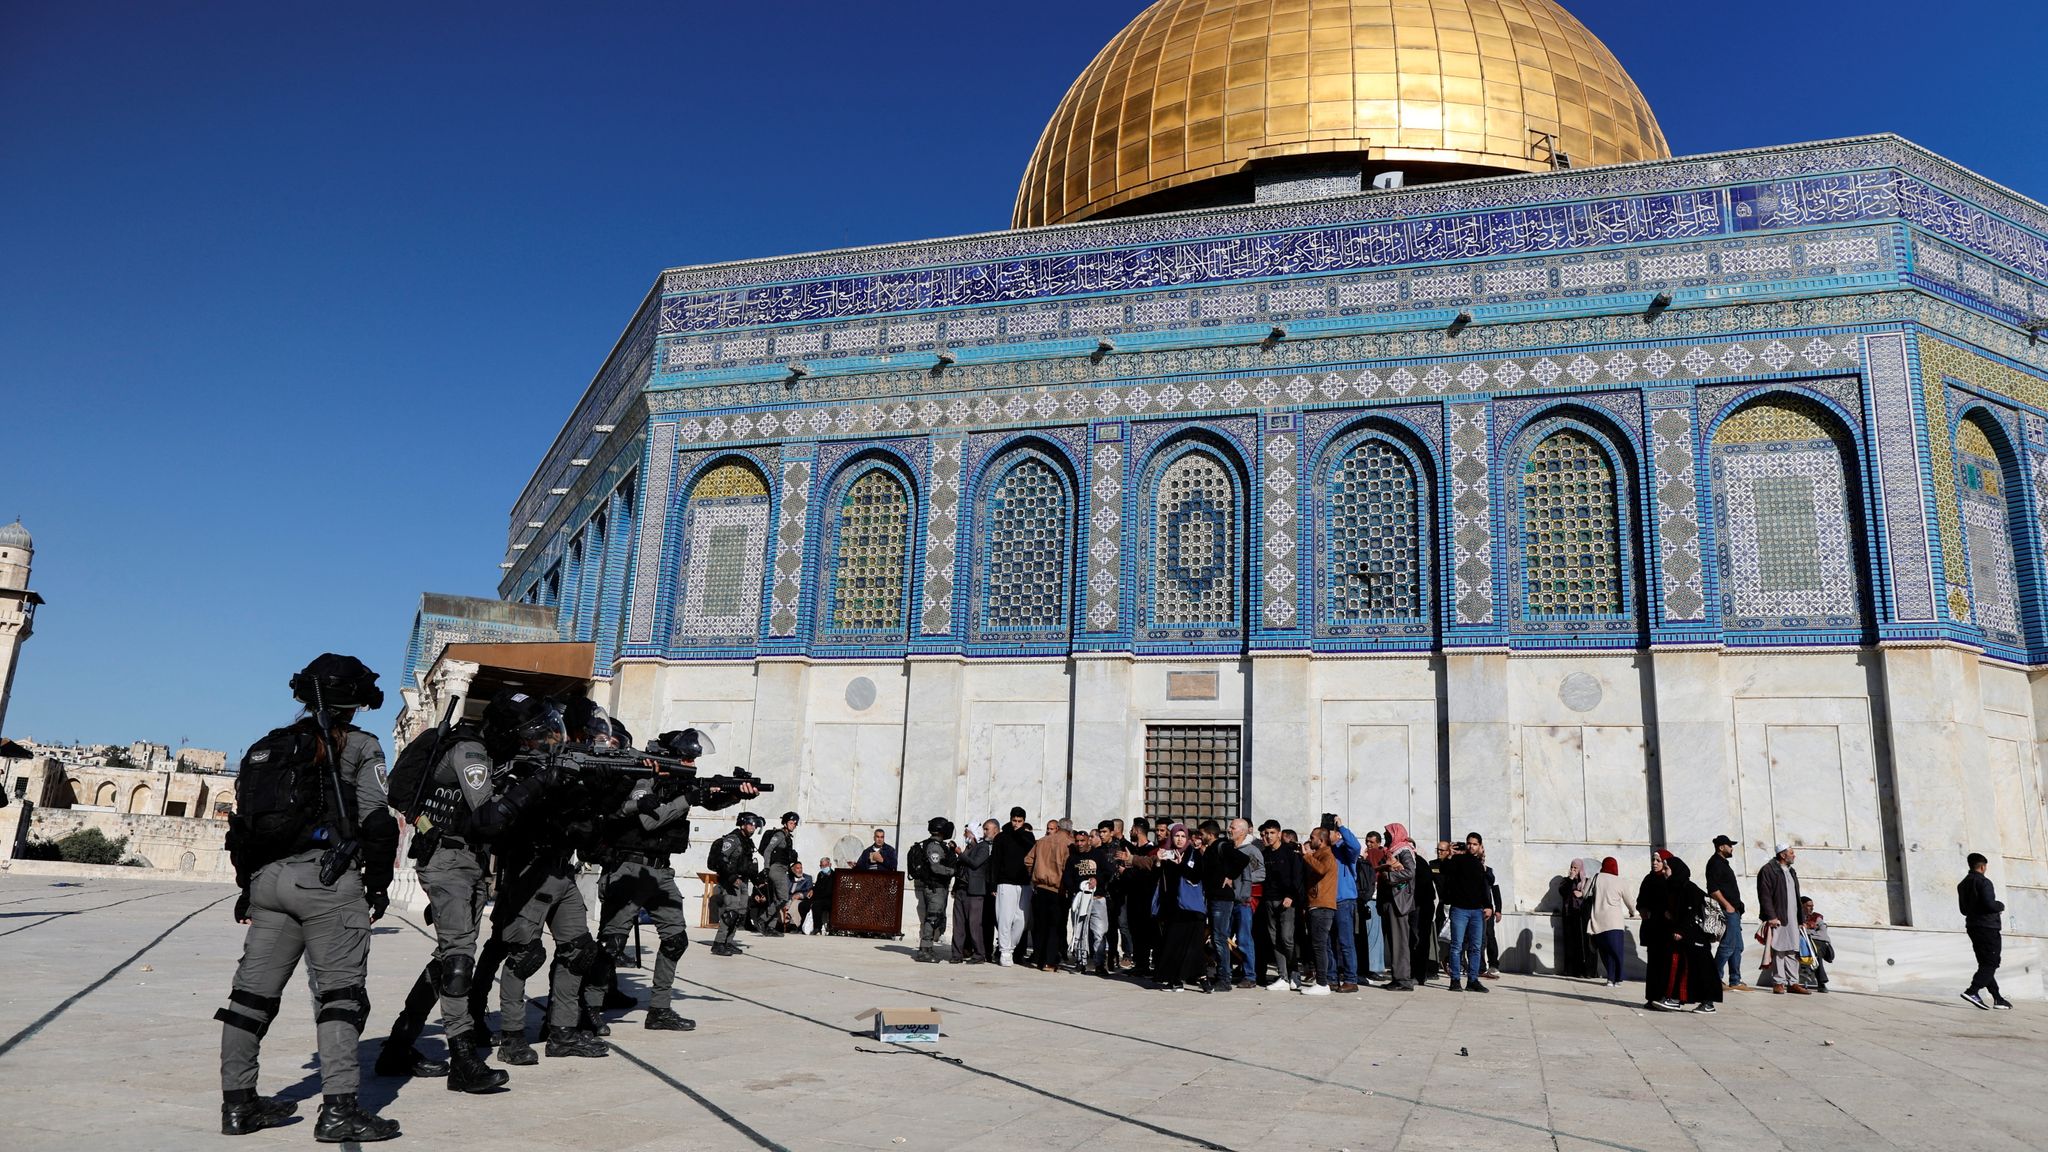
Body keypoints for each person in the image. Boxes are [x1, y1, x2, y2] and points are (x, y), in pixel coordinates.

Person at [216, 654, 402, 1141]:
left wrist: (246, 889)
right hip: (326, 879)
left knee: (250, 998)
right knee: (341, 996)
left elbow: (245, 826)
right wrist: (377, 884)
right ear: (354, 701)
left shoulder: (270, 746)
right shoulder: (361, 746)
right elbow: (377, 820)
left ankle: (238, 1105)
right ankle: (339, 1111)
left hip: (268, 881)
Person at [374, 696, 517, 1091]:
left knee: (447, 956)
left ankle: (399, 1045)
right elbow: (486, 811)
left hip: (466, 862)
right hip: (448, 860)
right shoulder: (471, 750)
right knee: (458, 960)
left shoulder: (489, 756)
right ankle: (464, 1060)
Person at [477, 693, 612, 1064]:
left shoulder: (559, 764)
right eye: (537, 734)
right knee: (524, 955)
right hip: (528, 868)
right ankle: (512, 1036)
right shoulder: (513, 768)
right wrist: (546, 781)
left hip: (560, 868)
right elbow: (505, 816)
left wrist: (594, 786)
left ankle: (562, 1032)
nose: (547, 738)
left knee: (578, 949)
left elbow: (582, 821)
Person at [594, 726, 750, 1032]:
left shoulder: (680, 783)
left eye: (694, 760)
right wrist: (687, 798)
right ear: (670, 757)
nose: (692, 765)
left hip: (661, 872)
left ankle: (659, 1010)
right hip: (630, 867)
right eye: (687, 759)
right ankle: (590, 1007)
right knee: (612, 942)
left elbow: (709, 798)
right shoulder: (644, 776)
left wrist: (735, 792)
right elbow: (649, 821)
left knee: (676, 939)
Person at [1651, 857, 1723, 1012]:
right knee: (1682, 967)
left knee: (1701, 969)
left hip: (1695, 937)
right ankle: (1676, 999)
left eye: (1666, 868)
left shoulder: (1689, 888)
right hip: (1687, 937)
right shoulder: (1674, 886)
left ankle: (1707, 1003)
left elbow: (1691, 911)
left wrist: (1680, 930)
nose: (1663, 871)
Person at [1149, 823, 1208, 990]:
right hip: (1171, 906)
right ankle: (1172, 979)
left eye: (1183, 836)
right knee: (1171, 943)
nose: (1180, 839)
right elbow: (1158, 879)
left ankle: (1198, 977)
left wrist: (1181, 865)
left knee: (1192, 945)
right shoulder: (1166, 853)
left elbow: (1197, 877)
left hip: (1190, 908)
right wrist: (1159, 862)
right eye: (1176, 836)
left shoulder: (1193, 854)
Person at [1191, 820, 1248, 992]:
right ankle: (1221, 974)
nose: (1200, 837)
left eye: (1202, 834)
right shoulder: (1209, 850)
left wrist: (1230, 875)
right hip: (1213, 897)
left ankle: (1225, 978)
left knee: (1219, 938)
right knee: (1216, 938)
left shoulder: (1221, 846)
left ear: (1209, 834)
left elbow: (1243, 859)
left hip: (1222, 899)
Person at [1440, 833, 1494, 993]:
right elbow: (1444, 870)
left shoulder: (1480, 864)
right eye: (1469, 843)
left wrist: (1489, 906)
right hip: (1460, 909)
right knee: (1456, 946)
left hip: (1477, 911)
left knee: (1476, 947)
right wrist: (1449, 855)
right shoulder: (1457, 860)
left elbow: (1487, 885)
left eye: (1475, 844)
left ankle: (1473, 980)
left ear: (1480, 846)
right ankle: (1455, 980)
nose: (1471, 846)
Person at [1959, 852, 2011, 1010]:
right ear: (1982, 866)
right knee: (1991, 963)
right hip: (1988, 927)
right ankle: (1972, 991)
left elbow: (1963, 910)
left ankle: (1997, 998)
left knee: (1985, 964)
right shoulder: (1984, 882)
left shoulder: (1962, 884)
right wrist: (2000, 906)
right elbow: (1990, 905)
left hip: (1973, 926)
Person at [710, 812, 766, 955]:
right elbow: (722, 860)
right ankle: (718, 943)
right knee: (730, 912)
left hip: (743, 881)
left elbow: (747, 865)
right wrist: (731, 877)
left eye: (755, 825)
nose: (753, 828)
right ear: (742, 824)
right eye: (750, 824)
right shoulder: (733, 839)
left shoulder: (747, 841)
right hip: (730, 881)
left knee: (739, 914)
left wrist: (757, 881)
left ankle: (728, 942)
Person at [1023, 817, 1075, 971]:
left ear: (1058, 828)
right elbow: (1069, 868)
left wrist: (1034, 876)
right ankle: (1050, 961)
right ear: (1070, 830)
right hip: (1057, 889)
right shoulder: (1069, 845)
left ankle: (1039, 958)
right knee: (1055, 926)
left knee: (1040, 925)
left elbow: (1028, 860)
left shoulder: (1042, 841)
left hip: (1040, 888)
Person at [1756, 843, 1808, 994]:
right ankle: (1779, 982)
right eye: (1791, 853)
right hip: (1778, 917)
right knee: (1779, 949)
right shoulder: (1768, 870)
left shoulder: (1792, 871)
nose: (1794, 855)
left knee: (1792, 949)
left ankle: (1793, 982)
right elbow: (1764, 895)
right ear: (1783, 855)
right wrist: (1771, 916)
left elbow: (1797, 898)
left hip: (1792, 917)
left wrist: (1801, 919)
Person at [1258, 820, 1303, 992]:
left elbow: (1297, 877)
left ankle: (1294, 973)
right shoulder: (1265, 854)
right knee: (1274, 938)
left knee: (1286, 938)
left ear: (1279, 833)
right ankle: (1283, 975)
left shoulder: (1290, 853)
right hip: (1269, 900)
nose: (1268, 836)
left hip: (1286, 902)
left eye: (1272, 833)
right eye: (1266, 833)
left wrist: (1291, 896)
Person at [907, 817, 958, 962]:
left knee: (935, 918)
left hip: (938, 887)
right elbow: (935, 867)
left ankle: (928, 949)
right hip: (935, 888)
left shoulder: (939, 845)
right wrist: (953, 871)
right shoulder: (934, 846)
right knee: (932, 918)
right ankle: (924, 950)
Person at [991, 807, 1035, 966]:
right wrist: (993, 885)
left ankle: (1010, 947)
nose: (1016, 824)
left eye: (1020, 821)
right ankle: (1004, 951)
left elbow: (1032, 851)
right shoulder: (1001, 837)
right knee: (1005, 918)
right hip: (1005, 882)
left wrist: (1021, 833)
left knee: (1021, 920)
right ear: (1010, 819)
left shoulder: (1028, 836)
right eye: (1014, 820)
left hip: (1024, 883)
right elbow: (995, 861)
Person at [1299, 827, 1339, 996]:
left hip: (1322, 906)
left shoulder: (1327, 854)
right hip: (1314, 904)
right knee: (1317, 945)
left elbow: (1322, 869)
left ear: (1321, 840)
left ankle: (1323, 983)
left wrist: (1307, 856)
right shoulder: (1319, 854)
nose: (1310, 840)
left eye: (1312, 837)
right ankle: (1320, 981)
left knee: (1319, 945)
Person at [1703, 835, 1747, 990]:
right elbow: (1713, 889)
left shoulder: (1723, 863)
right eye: (1729, 845)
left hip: (1734, 911)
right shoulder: (1714, 863)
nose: (1731, 848)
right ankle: (1714, 978)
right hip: (1727, 910)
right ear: (1721, 847)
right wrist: (1727, 905)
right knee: (1728, 945)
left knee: (1737, 946)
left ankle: (1735, 979)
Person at [1379, 822, 1419, 991]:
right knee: (1394, 942)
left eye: (1387, 834)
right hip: (1390, 901)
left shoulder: (1404, 850)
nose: (1385, 837)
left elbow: (1410, 873)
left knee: (1400, 942)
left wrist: (1389, 875)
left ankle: (1403, 980)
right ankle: (1397, 977)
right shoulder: (1393, 851)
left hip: (1399, 902)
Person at [1226, 818, 1264, 988]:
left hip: (1243, 901)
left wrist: (1240, 879)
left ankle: (1250, 975)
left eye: (1232, 828)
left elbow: (1261, 873)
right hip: (1227, 901)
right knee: (1223, 938)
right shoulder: (1227, 849)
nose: (1229, 830)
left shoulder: (1251, 851)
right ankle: (1225, 972)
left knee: (1244, 939)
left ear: (1242, 831)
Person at [1588, 857, 1636, 986]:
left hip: (1598, 921)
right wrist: (1632, 912)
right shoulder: (1620, 881)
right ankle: (1618, 979)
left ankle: (1610, 978)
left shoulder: (1596, 877)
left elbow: (1584, 892)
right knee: (1617, 952)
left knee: (1605, 952)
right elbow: (1629, 901)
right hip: (1614, 922)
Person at [1119, 819, 1158, 977]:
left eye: (1132, 828)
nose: (1130, 831)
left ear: (1137, 830)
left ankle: (1147, 964)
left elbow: (1146, 874)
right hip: (1132, 896)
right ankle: (1140, 963)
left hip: (1145, 897)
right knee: (1134, 930)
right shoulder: (1132, 849)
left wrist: (1126, 872)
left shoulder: (1151, 850)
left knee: (1145, 931)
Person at [952, 820, 996, 962]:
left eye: (967, 833)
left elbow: (975, 864)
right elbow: (960, 868)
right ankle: (956, 954)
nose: (965, 835)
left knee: (974, 924)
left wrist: (960, 853)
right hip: (961, 890)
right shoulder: (968, 848)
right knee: (958, 925)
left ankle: (979, 954)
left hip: (975, 892)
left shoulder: (983, 847)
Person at [1637, 850, 1673, 1008]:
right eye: (1653, 860)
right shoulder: (1649, 879)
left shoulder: (1670, 879)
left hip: (1666, 929)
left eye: (1658, 860)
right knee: (1653, 964)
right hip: (1653, 928)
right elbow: (1640, 900)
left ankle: (1666, 996)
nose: (1654, 863)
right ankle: (1652, 997)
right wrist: (1642, 909)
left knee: (1666, 964)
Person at [756, 812, 802, 934]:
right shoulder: (780, 835)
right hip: (776, 869)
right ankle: (762, 919)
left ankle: (770, 927)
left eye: (795, 824)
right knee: (783, 898)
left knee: (776, 899)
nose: (793, 825)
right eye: (791, 823)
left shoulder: (787, 837)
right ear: (785, 823)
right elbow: (767, 851)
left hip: (783, 869)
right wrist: (766, 868)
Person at [1556, 859, 1595, 979]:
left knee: (1583, 944)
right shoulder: (1566, 881)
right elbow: (1562, 892)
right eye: (1571, 868)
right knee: (1570, 943)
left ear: (1581, 869)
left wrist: (1581, 894)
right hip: (1569, 915)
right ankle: (1570, 970)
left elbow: (1591, 896)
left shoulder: (1587, 881)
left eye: (1575, 868)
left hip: (1582, 916)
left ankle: (1586, 971)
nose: (1573, 870)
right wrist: (1570, 879)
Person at [1359, 830, 1386, 982]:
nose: (1369, 845)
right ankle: (1373, 967)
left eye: (1372, 842)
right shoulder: (1368, 856)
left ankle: (1374, 967)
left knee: (1375, 935)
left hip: (1375, 899)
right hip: (1370, 899)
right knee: (1373, 935)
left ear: (1378, 843)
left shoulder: (1376, 855)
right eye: (1367, 842)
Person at [1797, 898, 1833, 993]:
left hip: (1820, 944)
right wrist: (1810, 931)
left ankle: (1821, 982)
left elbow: (1823, 933)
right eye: (1809, 906)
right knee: (1816, 952)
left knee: (1816, 950)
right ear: (1802, 906)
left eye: (1812, 906)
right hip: (1806, 945)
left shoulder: (1817, 917)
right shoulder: (1795, 917)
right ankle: (1821, 983)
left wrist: (1808, 933)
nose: (1811, 908)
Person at [807, 857, 836, 935]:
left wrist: (817, 895)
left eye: (825, 865)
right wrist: (812, 890)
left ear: (830, 865)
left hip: (830, 899)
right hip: (819, 898)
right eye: (822, 866)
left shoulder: (834, 875)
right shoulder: (820, 874)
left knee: (817, 904)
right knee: (804, 904)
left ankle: (819, 927)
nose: (824, 868)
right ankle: (802, 927)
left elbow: (829, 891)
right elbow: (817, 886)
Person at [787, 861, 813, 932]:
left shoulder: (807, 878)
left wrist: (800, 895)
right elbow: (785, 891)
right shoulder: (788, 878)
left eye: (801, 868)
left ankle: (794, 925)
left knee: (795, 904)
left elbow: (809, 891)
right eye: (798, 868)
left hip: (801, 899)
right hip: (789, 899)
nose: (800, 870)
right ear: (793, 870)